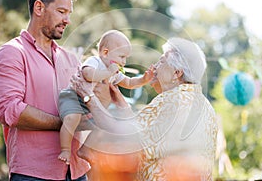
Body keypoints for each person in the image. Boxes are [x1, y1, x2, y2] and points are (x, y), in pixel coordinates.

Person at [0, 0, 97, 180]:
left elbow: (86, 103)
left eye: (69, 13)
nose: (68, 20)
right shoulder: (12, 53)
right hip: (33, 173)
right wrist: (64, 124)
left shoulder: (71, 59)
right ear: (39, 8)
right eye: (62, 11)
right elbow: (9, 109)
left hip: (77, 172)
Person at [72, 37, 218, 180]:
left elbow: (121, 135)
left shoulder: (172, 100)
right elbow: (149, 136)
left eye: (161, 62)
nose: (154, 67)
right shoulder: (203, 106)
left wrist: (87, 95)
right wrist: (124, 107)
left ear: (177, 73)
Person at [58, 29, 154, 165]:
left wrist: (143, 80)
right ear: (105, 53)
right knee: (72, 119)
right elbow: (88, 74)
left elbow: (128, 82)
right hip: (73, 98)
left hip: (89, 104)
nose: (124, 62)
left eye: (126, 58)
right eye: (122, 56)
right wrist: (107, 72)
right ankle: (65, 149)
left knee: (104, 124)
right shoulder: (95, 61)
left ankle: (85, 149)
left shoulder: (113, 71)